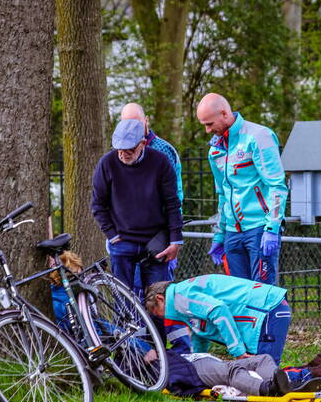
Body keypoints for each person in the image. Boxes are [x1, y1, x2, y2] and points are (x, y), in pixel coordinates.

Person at [197, 93, 288, 285]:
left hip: (259, 229)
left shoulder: (258, 137)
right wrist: (220, 233)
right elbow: (222, 194)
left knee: (262, 293)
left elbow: (277, 185)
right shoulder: (215, 150)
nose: (207, 130)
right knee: (239, 294)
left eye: (210, 124)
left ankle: (271, 317)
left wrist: (273, 227)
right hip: (232, 231)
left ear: (224, 114)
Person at [91, 118, 182, 293]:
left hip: (156, 241)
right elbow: (98, 204)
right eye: (120, 150)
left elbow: (172, 203)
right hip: (122, 241)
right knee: (123, 303)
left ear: (142, 143)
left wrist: (175, 240)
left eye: (129, 150)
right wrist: (112, 235)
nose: (124, 154)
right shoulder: (107, 163)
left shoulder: (161, 162)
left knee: (158, 299)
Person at [143, 274, 292, 362]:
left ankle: (308, 375)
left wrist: (236, 349)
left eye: (155, 310)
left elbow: (218, 311)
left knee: (266, 372)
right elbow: (200, 331)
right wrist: (197, 359)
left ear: (160, 298)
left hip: (268, 309)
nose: (158, 316)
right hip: (268, 309)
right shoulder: (181, 300)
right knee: (261, 371)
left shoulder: (180, 297)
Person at [120, 102, 183, 280]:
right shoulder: (119, 153)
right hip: (129, 237)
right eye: (127, 123)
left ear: (146, 121)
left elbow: (173, 198)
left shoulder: (163, 151)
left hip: (157, 237)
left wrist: (173, 237)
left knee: (156, 296)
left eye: (136, 122)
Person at [161, 351, 321, 398]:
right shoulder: (151, 354)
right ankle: (268, 389)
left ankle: (285, 386)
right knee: (231, 371)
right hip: (192, 367)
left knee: (263, 359)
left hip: (204, 360)